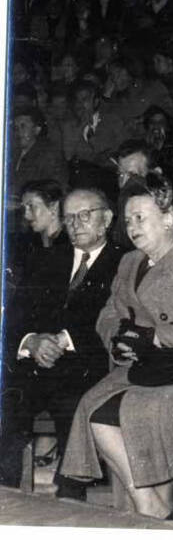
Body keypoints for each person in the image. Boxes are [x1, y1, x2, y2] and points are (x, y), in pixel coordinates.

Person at [59, 173, 173, 518]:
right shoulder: (129, 262)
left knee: (139, 410)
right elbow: (108, 312)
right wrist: (118, 339)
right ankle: (149, 501)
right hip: (142, 364)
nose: (131, 227)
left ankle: (155, 505)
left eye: (140, 218)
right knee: (91, 409)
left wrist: (158, 335)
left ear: (169, 217)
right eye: (127, 220)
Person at [0, 188, 124, 499]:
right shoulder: (45, 259)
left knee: (75, 404)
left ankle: (71, 499)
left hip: (86, 366)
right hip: (36, 364)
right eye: (69, 218)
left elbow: (118, 322)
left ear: (107, 219)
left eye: (85, 215)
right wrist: (33, 341)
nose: (76, 224)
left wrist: (62, 340)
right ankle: (6, 495)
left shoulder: (124, 262)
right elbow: (14, 317)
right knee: (7, 400)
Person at [10, 106, 68, 198]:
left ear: (37, 129)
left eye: (23, 126)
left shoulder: (49, 154)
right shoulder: (12, 152)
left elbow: (55, 191)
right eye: (16, 128)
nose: (18, 132)